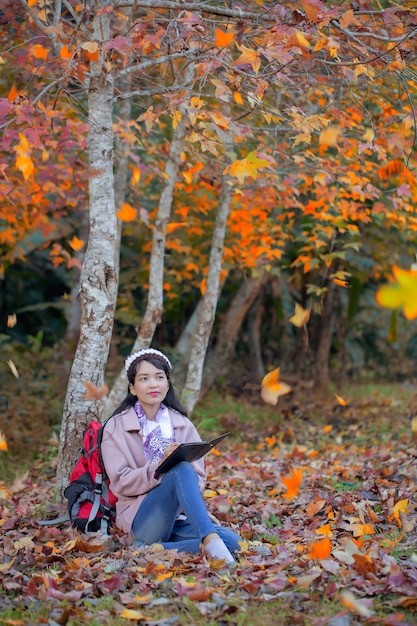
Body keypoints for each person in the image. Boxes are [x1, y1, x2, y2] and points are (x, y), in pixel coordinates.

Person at [101, 348, 241, 564]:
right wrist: (161, 467)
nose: (153, 384)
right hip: (142, 518)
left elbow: (199, 478)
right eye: (144, 379)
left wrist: (180, 489)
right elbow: (120, 483)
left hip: (179, 516)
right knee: (180, 468)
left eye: (159, 377)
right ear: (133, 388)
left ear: (167, 384)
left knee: (234, 544)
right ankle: (209, 539)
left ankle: (150, 550)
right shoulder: (116, 427)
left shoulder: (182, 423)